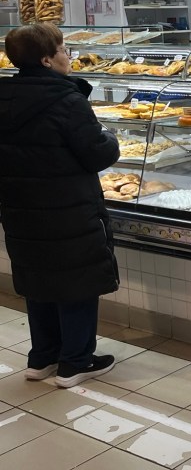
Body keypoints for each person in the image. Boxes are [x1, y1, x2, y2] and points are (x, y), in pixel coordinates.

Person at [0, 23, 119, 387]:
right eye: (64, 49)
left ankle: (42, 357)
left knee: (37, 280)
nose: (69, 55)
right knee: (77, 281)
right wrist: (110, 137)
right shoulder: (67, 100)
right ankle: (76, 362)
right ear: (47, 60)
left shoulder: (4, 97)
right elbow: (98, 153)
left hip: (20, 210)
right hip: (68, 209)